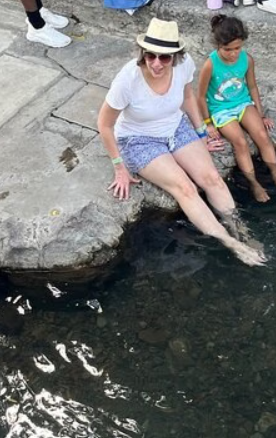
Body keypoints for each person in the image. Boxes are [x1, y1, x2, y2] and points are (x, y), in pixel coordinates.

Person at [97, 18, 266, 266]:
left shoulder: (185, 64)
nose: (156, 63)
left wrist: (200, 134)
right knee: (185, 188)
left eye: (164, 58)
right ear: (143, 53)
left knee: (212, 179)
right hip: (139, 139)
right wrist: (119, 167)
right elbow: (104, 124)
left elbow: (188, 95)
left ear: (176, 56)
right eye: (150, 56)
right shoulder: (127, 80)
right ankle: (231, 244)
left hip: (176, 126)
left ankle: (242, 231)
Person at [198, 15, 276, 203]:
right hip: (220, 109)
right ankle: (254, 183)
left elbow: (252, 87)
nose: (234, 54)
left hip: (242, 103)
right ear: (218, 45)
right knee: (240, 142)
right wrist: (208, 123)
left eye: (237, 48)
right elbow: (200, 96)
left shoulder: (247, 59)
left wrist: (260, 114)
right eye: (228, 49)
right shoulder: (210, 64)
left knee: (262, 135)